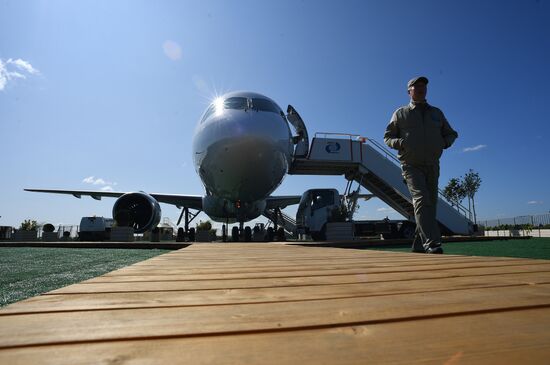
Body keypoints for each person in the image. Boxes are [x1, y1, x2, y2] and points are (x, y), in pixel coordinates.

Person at [384, 76, 458, 254]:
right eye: (416, 86)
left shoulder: (436, 113)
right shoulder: (400, 113)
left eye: (423, 86)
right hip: (411, 165)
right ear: (409, 91)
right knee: (422, 200)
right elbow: (387, 137)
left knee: (430, 205)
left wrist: (444, 143)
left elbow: (451, 134)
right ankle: (432, 243)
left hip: (432, 165)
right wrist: (400, 142)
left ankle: (418, 245)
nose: (420, 88)